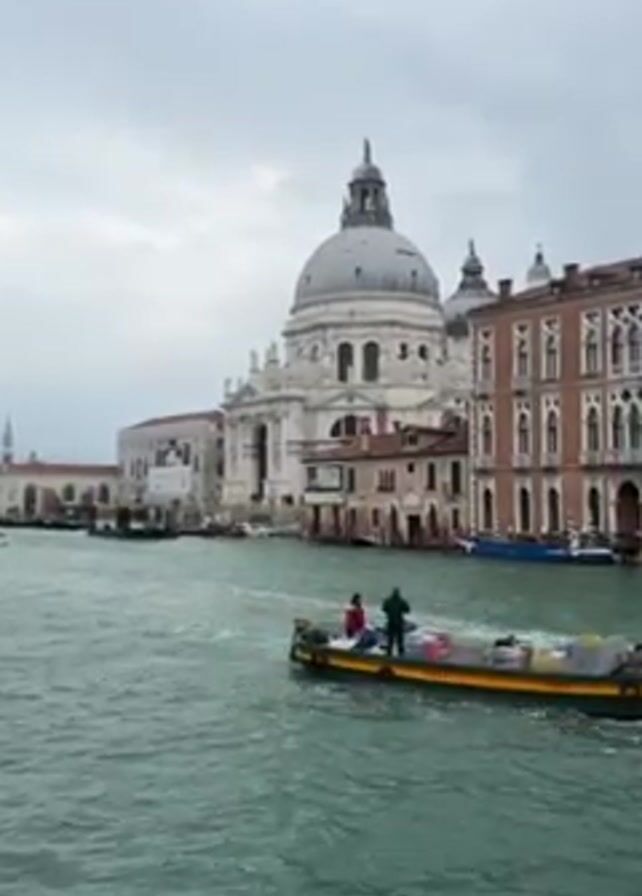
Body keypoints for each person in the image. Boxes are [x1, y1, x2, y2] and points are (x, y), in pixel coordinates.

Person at [381, 587, 411, 656]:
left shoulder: (388, 601)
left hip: (391, 622)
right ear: (398, 594)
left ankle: (389, 654)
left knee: (390, 640)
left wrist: (389, 611)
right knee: (400, 641)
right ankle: (401, 655)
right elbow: (407, 610)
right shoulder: (401, 601)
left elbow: (384, 609)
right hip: (399, 623)